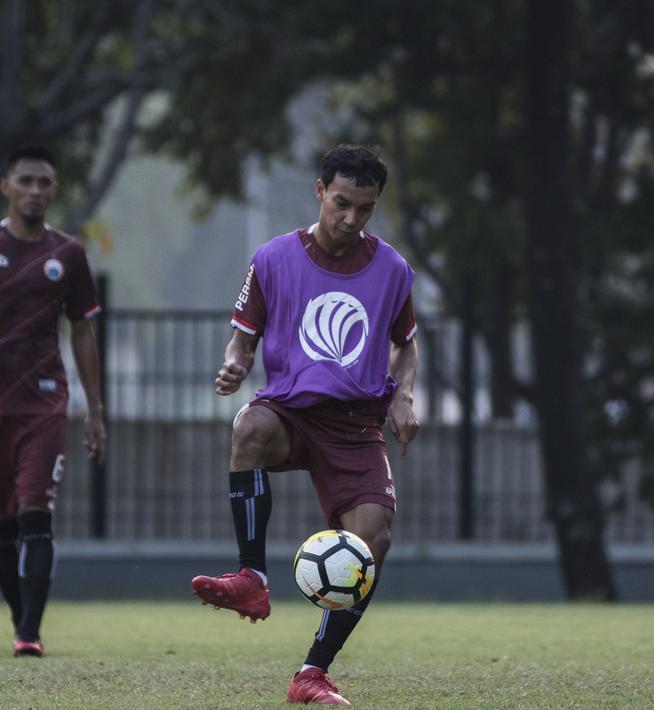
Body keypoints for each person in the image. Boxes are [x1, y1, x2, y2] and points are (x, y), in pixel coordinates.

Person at [191, 145, 419, 705]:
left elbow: (406, 346)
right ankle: (252, 579)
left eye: (364, 209)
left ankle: (311, 674)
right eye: (341, 203)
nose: (350, 218)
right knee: (249, 427)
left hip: (355, 424)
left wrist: (404, 395)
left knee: (374, 540)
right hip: (291, 413)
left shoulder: (392, 269)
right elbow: (242, 339)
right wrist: (235, 365)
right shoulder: (271, 259)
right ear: (319, 191)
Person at [0, 146, 107, 657]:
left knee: (37, 509)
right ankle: (22, 619)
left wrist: (94, 411)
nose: (36, 190)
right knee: (1, 520)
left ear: (54, 190)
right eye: (27, 181)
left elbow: (83, 332)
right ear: (7, 187)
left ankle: (29, 634)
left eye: (44, 182)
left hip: (45, 402)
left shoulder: (68, 256)